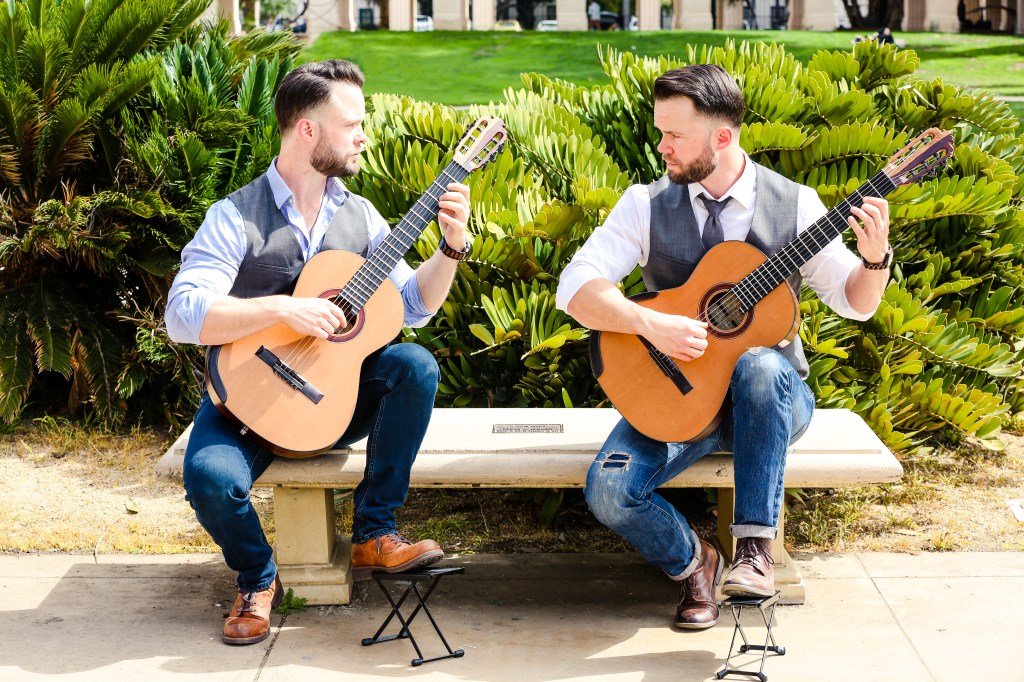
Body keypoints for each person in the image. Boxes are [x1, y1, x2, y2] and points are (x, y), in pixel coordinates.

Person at [555, 64, 891, 630]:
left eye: (674, 135)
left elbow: (853, 301)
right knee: (610, 490)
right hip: (681, 397)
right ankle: (695, 564)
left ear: (722, 137)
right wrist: (650, 324)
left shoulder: (796, 204)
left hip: (770, 402)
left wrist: (875, 260)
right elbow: (575, 288)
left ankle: (755, 552)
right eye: (660, 132)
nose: (661, 146)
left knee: (759, 365)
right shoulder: (645, 204)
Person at [165, 59, 472, 645]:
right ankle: (258, 577)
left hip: (332, 401)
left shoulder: (360, 216)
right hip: (247, 404)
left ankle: (374, 534)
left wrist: (450, 248)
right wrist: (281, 310)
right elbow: (182, 314)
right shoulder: (235, 216)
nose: (364, 137)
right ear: (307, 130)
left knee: (415, 365)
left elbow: (412, 306)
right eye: (351, 124)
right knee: (210, 482)